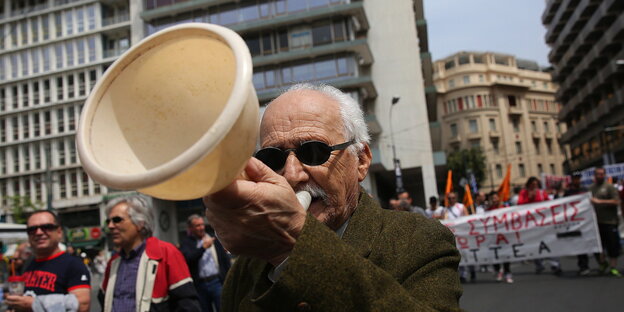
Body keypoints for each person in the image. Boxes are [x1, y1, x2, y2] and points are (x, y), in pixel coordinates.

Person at [203, 83, 462, 311]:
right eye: (274, 158)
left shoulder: (419, 240)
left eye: (314, 152)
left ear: (361, 161)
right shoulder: (247, 266)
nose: (292, 175)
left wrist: (293, 248)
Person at [99, 195, 201, 311]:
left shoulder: (166, 253)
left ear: (140, 223)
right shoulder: (113, 262)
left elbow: (187, 304)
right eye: (108, 221)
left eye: (117, 220)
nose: (110, 226)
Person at [6, 211, 91, 312]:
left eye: (46, 227)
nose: (39, 232)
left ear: (59, 232)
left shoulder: (73, 264)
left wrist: (34, 304)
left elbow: (82, 305)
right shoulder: (28, 263)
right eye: (32, 229)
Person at [180, 214, 231, 312]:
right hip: (200, 286)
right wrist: (203, 248)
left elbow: (225, 261)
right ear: (191, 228)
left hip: (217, 282)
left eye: (202, 224)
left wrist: (228, 279)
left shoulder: (213, 239)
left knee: (223, 308)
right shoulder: (187, 243)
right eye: (198, 225)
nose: (201, 228)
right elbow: (188, 259)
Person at [517, 176, 561, 275]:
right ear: (528, 185)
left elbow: (548, 204)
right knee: (535, 243)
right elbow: (519, 204)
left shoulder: (542, 192)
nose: (534, 187)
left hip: (544, 222)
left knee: (551, 241)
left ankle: (555, 263)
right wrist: (529, 198)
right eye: (532, 185)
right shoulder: (523, 193)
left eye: (536, 185)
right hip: (531, 223)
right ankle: (539, 265)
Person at [589, 167, 622, 277]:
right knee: (598, 246)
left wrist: (599, 201)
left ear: (605, 175)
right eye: (598, 174)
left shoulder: (610, 187)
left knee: (612, 245)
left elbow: (616, 201)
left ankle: (613, 267)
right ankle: (603, 263)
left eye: (602, 174)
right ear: (594, 175)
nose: (600, 176)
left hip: (610, 221)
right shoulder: (591, 188)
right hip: (596, 222)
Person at [564, 172, 591, 276]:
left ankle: (601, 262)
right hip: (575, 222)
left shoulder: (585, 190)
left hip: (587, 220)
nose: (576, 180)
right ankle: (583, 266)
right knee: (579, 244)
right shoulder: (568, 192)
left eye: (578, 178)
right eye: (574, 178)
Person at [487, 192, 513, 283]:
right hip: (493, 236)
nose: (494, 200)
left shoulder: (504, 209)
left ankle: (507, 272)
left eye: (495, 198)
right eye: (492, 198)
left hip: (504, 235)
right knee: (495, 253)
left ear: (499, 198)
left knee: (506, 253)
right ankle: (498, 271)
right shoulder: (488, 210)